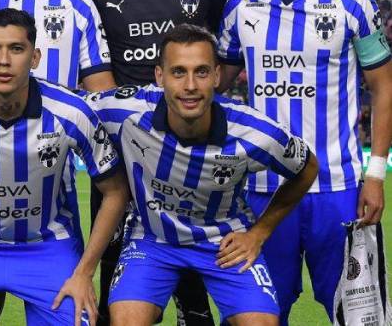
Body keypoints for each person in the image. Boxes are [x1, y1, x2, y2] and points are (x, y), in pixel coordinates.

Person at [217, 0, 392, 324]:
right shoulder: (240, 5)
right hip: (261, 192)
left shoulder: (353, 2)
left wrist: (375, 174)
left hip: (339, 191)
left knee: (358, 314)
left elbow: (384, 88)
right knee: (260, 315)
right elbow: (214, 87)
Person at [78, 0, 231, 325]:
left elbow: (221, 62)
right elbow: (89, 56)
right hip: (122, 153)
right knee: (114, 283)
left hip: (192, 149)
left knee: (195, 294)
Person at [93, 24, 318, 326]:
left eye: (201, 72)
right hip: (152, 238)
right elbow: (69, 110)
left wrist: (259, 233)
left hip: (224, 242)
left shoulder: (254, 133)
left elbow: (307, 168)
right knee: (126, 322)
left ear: (216, 75)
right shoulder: (123, 110)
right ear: (160, 76)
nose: (190, 85)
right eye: (178, 72)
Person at [0, 9, 130, 326]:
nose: (3, 60)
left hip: (49, 248)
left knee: (77, 319)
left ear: (34, 58)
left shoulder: (71, 112)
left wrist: (84, 272)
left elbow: (115, 191)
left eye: (16, 49)